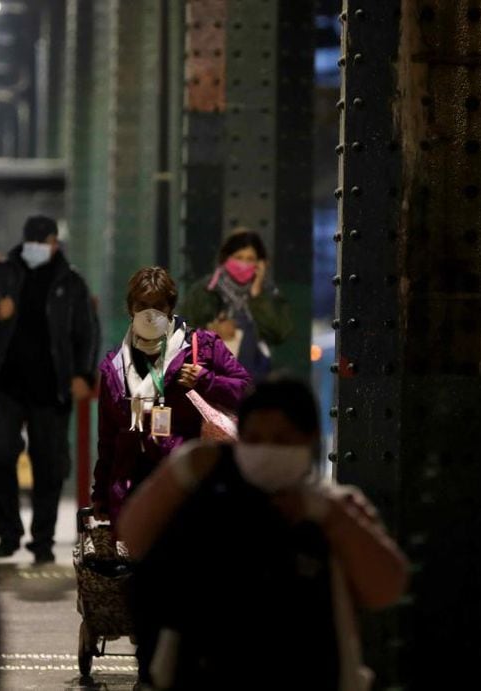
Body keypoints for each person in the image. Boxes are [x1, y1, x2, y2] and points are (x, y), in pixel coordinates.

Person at [118, 378, 409, 689]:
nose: (266, 450)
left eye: (282, 439)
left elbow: (385, 589)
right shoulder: (204, 492)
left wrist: (329, 515)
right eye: (253, 439)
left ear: (309, 440)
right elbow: (134, 537)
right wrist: (183, 471)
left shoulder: (335, 507)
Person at [0, 215, 99, 563]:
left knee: (49, 467)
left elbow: (87, 332)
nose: (39, 245)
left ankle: (43, 540)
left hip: (52, 388)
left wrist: (84, 374)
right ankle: (7, 531)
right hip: (6, 385)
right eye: (34, 239)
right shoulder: (2, 274)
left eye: (45, 239)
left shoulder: (71, 282)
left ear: (55, 242)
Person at [92, 267, 251, 523]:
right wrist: (100, 494)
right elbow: (108, 438)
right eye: (142, 305)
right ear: (131, 308)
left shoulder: (202, 348)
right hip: (132, 488)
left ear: (170, 308)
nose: (150, 313)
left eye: (158, 306)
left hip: (189, 482)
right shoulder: (115, 366)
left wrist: (206, 380)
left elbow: (245, 389)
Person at [182, 228, 292, 379]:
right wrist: (210, 332)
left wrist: (257, 295)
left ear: (260, 263)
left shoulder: (268, 293)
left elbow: (280, 332)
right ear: (226, 259)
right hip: (211, 381)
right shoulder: (205, 291)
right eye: (239, 257)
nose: (244, 264)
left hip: (254, 382)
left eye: (250, 259)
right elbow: (182, 332)